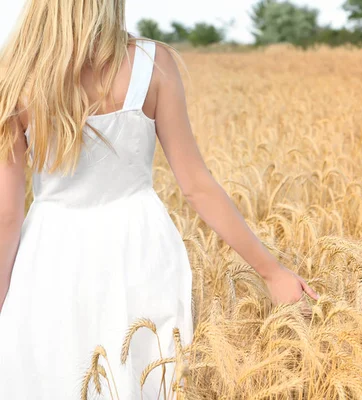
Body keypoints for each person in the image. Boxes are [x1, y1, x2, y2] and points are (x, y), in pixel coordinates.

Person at [0, 0, 320, 398]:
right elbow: (196, 185)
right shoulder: (155, 63)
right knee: (150, 379)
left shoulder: (16, 75)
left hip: (51, 259)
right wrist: (272, 272)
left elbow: (7, 216)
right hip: (141, 249)